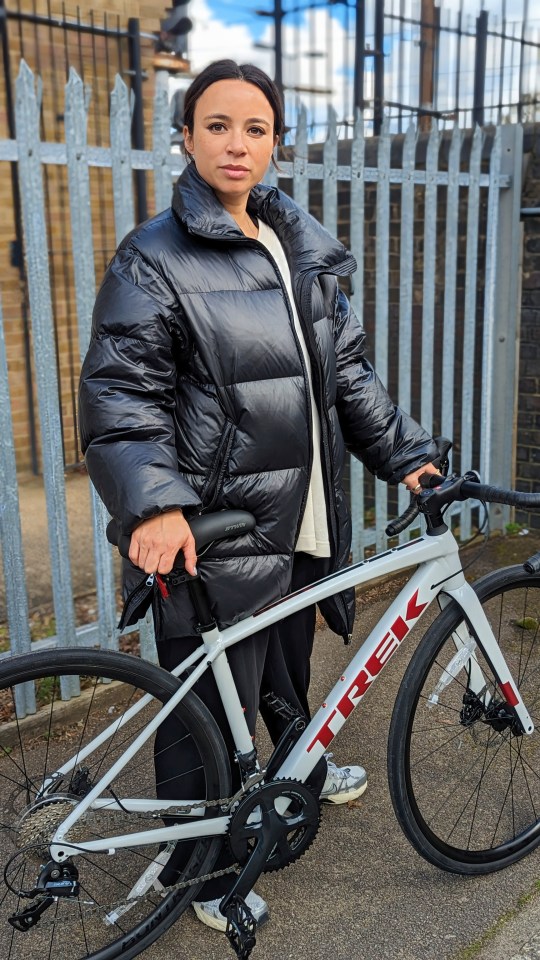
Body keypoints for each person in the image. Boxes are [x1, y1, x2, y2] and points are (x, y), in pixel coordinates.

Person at [78, 59, 439, 933]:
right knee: (201, 705)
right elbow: (121, 398)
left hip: (300, 507)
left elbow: (345, 373)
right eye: (217, 125)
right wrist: (155, 503)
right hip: (217, 520)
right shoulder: (154, 256)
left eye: (255, 129)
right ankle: (197, 871)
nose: (237, 145)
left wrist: (403, 455)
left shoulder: (300, 244)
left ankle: (298, 772)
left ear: (276, 142)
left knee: (283, 662)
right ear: (188, 136)